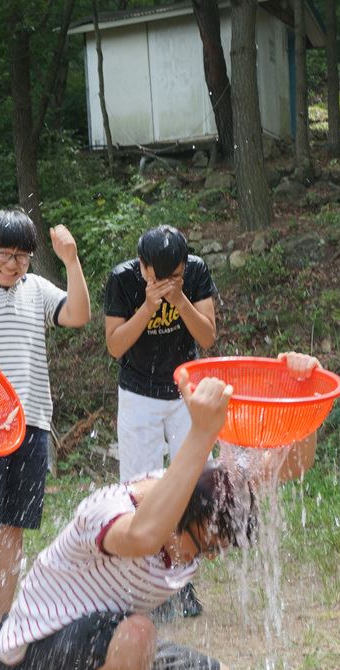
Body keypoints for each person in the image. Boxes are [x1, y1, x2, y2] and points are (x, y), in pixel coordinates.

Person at [0, 352, 322, 670]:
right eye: (204, 547)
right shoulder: (111, 510)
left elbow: (291, 463)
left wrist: (304, 391)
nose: (207, 558)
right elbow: (142, 536)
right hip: (32, 657)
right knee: (138, 633)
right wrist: (202, 432)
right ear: (176, 518)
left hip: (109, 642)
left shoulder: (203, 491)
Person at [0, 210, 91, 663]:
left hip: (30, 424)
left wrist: (70, 260)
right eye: (3, 254)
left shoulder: (36, 289)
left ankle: (0, 627)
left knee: (12, 530)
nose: (12, 264)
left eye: (22, 256)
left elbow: (78, 315)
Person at [103, 225, 218, 616]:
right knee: (141, 492)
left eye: (176, 275)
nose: (168, 282)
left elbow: (207, 337)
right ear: (142, 265)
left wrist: (181, 299)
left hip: (185, 390)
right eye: (157, 277)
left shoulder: (196, 271)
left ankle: (181, 582)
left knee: (192, 487)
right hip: (138, 393)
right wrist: (148, 307)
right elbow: (115, 344)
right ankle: (146, 585)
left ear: (185, 265)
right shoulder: (122, 279)